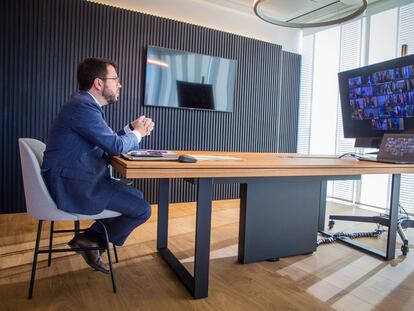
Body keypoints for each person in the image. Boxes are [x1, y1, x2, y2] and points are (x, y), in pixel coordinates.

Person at [41, 58, 154, 273]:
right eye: (116, 79)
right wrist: (138, 133)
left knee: (136, 197)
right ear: (99, 83)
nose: (120, 84)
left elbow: (107, 140)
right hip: (74, 186)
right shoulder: (83, 106)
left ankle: (90, 239)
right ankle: (91, 240)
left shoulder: (83, 103)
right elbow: (114, 146)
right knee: (143, 210)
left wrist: (130, 128)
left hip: (79, 178)